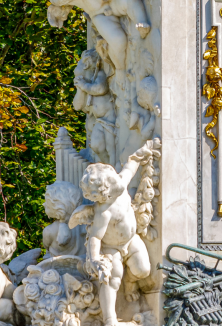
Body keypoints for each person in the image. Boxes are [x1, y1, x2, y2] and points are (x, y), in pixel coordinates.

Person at [69, 139, 161, 326]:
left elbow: (131, 165)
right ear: (103, 194)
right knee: (112, 276)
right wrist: (95, 258)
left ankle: (130, 283)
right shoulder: (104, 211)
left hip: (131, 240)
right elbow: (95, 236)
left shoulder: (120, 186)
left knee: (143, 270)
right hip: (112, 247)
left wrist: (145, 151)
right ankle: (110, 319)